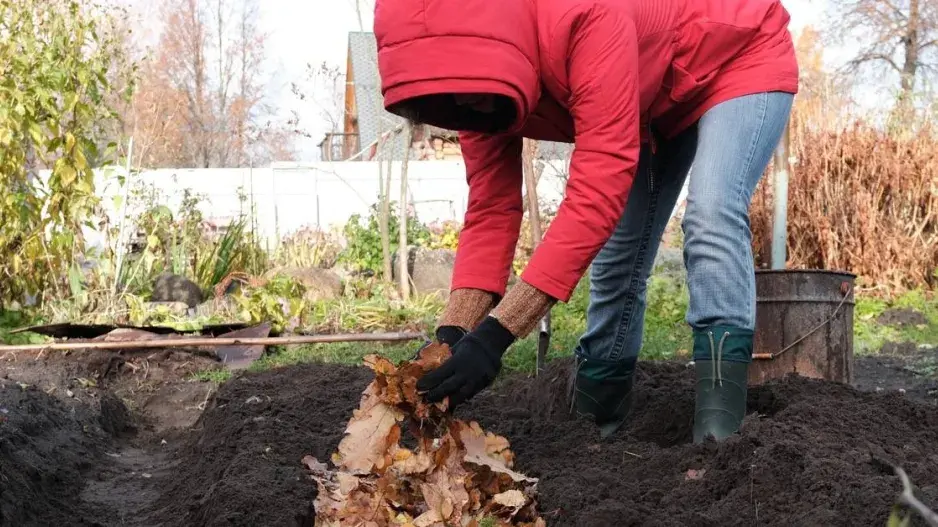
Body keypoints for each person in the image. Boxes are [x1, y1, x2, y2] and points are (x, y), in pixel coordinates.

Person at [374, 0, 798, 443]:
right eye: (450, 100)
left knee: (710, 212)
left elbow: (598, 187)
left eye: (466, 96)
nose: (465, 104)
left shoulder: (584, 14)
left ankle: (719, 430)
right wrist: (453, 334)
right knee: (619, 256)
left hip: (737, 54)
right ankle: (596, 420)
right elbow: (491, 209)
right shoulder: (466, 83)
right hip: (650, 94)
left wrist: (496, 335)